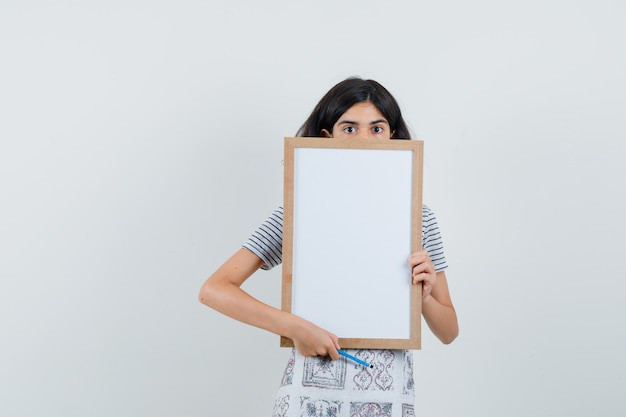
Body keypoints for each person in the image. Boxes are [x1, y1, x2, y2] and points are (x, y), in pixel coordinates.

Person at [199, 77, 458, 417]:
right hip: (310, 398)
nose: (364, 139)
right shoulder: (297, 213)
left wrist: (423, 297)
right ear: (327, 137)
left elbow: (449, 330)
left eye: (377, 128)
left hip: (390, 400)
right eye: (349, 128)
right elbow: (214, 289)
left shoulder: (418, 218)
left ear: (393, 136)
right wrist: (295, 328)